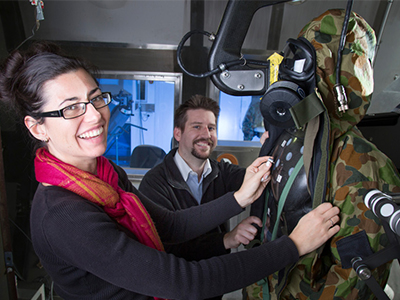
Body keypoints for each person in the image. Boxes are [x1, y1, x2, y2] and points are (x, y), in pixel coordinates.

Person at [0, 41, 340, 300]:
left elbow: (169, 225)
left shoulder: (105, 174)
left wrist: (239, 197)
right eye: (71, 108)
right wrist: (293, 245)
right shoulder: (64, 215)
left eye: (95, 98)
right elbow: (182, 281)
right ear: (37, 127)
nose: (94, 116)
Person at [246, 9, 400, 300]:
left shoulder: (362, 165)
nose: (297, 76)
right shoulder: (292, 140)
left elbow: (350, 283)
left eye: (310, 66)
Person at [139, 96, 262, 286]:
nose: (206, 134)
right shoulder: (155, 183)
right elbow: (168, 246)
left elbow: (259, 179)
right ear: (178, 134)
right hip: (176, 286)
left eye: (211, 128)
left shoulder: (223, 172)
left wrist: (271, 144)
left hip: (214, 280)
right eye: (197, 126)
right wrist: (226, 239)